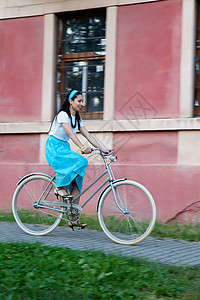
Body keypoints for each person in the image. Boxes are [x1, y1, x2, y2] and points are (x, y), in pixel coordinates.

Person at [45, 90, 110, 230]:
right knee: (82, 161)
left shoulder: (77, 119)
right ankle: (59, 187)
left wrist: (103, 148)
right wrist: (81, 148)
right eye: (79, 101)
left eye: (82, 101)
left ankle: (73, 219)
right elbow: (70, 133)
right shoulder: (63, 115)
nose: (82, 104)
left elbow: (89, 136)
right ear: (71, 101)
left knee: (76, 185)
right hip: (54, 149)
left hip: (64, 149)